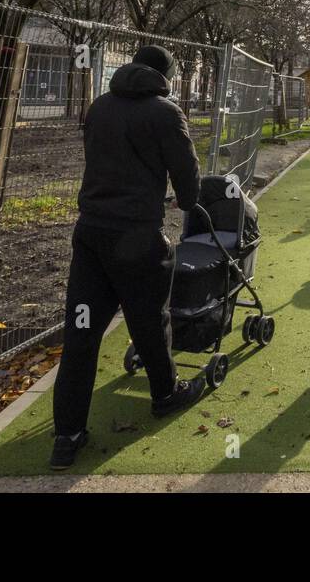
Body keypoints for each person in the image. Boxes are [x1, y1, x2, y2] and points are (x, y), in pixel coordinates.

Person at [50, 45, 204, 470]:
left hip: (91, 235)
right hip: (136, 235)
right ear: (164, 76)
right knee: (150, 318)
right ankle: (165, 392)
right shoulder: (165, 113)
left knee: (81, 332)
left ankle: (67, 434)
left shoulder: (99, 106)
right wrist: (187, 201)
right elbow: (186, 174)